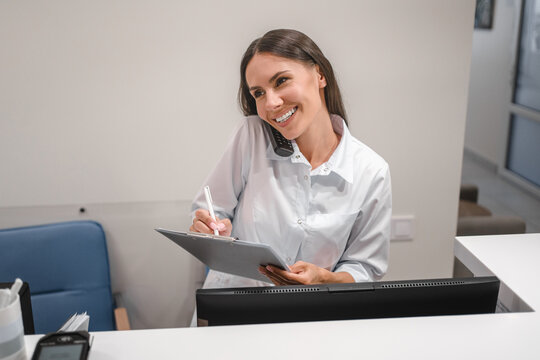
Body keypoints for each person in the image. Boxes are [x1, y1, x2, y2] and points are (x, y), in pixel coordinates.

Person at [190, 29, 391, 289]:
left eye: (281, 81)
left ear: (319, 75)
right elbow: (211, 211)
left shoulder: (371, 171)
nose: (271, 103)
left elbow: (366, 267)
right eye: (258, 93)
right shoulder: (251, 136)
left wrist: (324, 278)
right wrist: (209, 227)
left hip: (310, 318)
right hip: (234, 310)